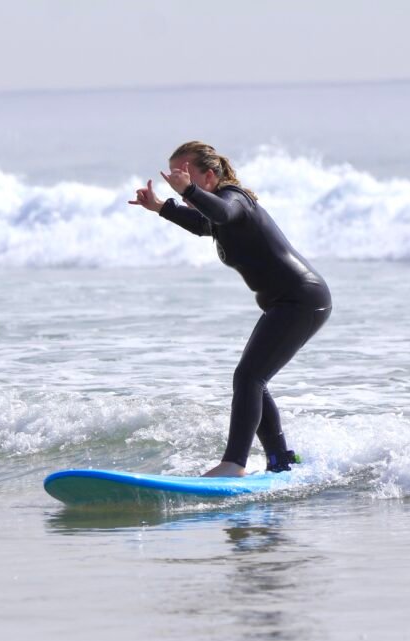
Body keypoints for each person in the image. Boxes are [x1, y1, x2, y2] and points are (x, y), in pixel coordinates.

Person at [129, 141, 331, 477]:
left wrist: (189, 191)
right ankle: (280, 459)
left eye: (185, 175)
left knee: (249, 377)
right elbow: (203, 224)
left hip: (301, 300)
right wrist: (161, 207)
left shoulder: (233, 199)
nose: (177, 182)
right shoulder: (218, 213)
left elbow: (220, 213)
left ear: (209, 176)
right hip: (287, 303)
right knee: (253, 379)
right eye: (173, 177)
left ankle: (234, 463)